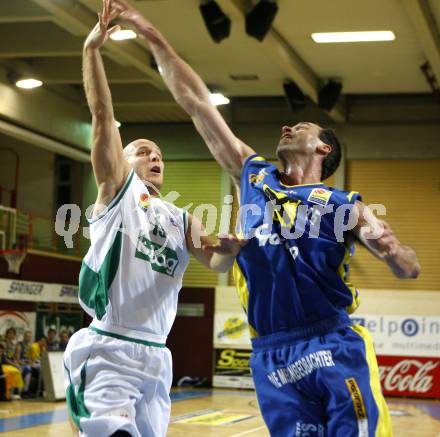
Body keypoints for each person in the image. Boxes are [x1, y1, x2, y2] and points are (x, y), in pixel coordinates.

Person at [113, 2, 421, 435]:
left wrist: (393, 251)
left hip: (332, 342)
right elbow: (197, 103)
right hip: (271, 355)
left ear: (324, 149)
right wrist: (150, 32)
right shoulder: (253, 175)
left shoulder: (341, 204)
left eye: (301, 127)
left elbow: (403, 260)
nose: (285, 128)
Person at [63, 2, 246, 436]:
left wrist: (235, 229)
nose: (154, 156)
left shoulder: (181, 218)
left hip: (157, 357)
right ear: (123, 162)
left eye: (159, 153)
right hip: (109, 347)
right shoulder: (117, 191)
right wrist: (92, 51)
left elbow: (218, 263)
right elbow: (102, 115)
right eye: (143, 150)